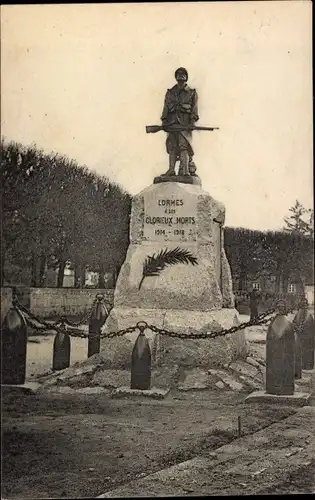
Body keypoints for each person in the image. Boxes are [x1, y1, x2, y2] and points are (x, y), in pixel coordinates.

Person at [160, 67, 199, 176]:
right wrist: (164, 120)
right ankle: (171, 170)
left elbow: (194, 108)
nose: (181, 76)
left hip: (185, 122)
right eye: (179, 74)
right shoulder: (170, 92)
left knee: (183, 146)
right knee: (172, 146)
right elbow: (166, 106)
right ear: (176, 77)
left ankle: (185, 171)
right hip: (172, 122)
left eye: (183, 74)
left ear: (186, 77)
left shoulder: (191, 92)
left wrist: (192, 121)